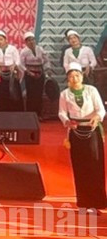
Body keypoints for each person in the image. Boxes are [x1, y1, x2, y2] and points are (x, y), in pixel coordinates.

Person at [58, 62, 106, 214]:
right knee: (80, 167)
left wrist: (97, 118)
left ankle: (97, 202)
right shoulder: (65, 94)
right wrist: (66, 121)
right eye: (71, 76)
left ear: (82, 76)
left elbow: (101, 109)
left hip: (92, 131)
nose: (75, 78)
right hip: (76, 131)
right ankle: (84, 203)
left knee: (95, 165)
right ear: (67, 78)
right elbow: (62, 112)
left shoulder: (91, 90)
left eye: (77, 75)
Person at [0, 30, 22, 112]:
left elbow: (18, 60)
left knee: (13, 92)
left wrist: (14, 65)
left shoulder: (12, 49)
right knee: (0, 93)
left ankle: (15, 112)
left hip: (11, 73)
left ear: (6, 40)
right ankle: (2, 112)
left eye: (1, 39)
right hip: (0, 73)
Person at [19, 32, 52, 117]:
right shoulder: (24, 51)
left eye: (33, 39)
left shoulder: (40, 49)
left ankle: (39, 114)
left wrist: (47, 69)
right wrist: (28, 72)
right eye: (29, 40)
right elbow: (20, 64)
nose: (31, 42)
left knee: (39, 93)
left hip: (40, 74)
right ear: (26, 42)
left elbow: (46, 60)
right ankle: (30, 115)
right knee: (31, 94)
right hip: (29, 75)